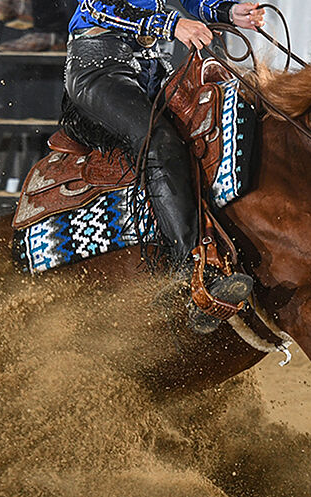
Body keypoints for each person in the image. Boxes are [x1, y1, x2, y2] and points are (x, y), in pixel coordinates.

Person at [63, 0, 265, 333]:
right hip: (99, 68)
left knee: (221, 117)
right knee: (159, 142)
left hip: (151, 68)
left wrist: (227, 12)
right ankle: (193, 276)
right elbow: (99, 7)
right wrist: (171, 25)